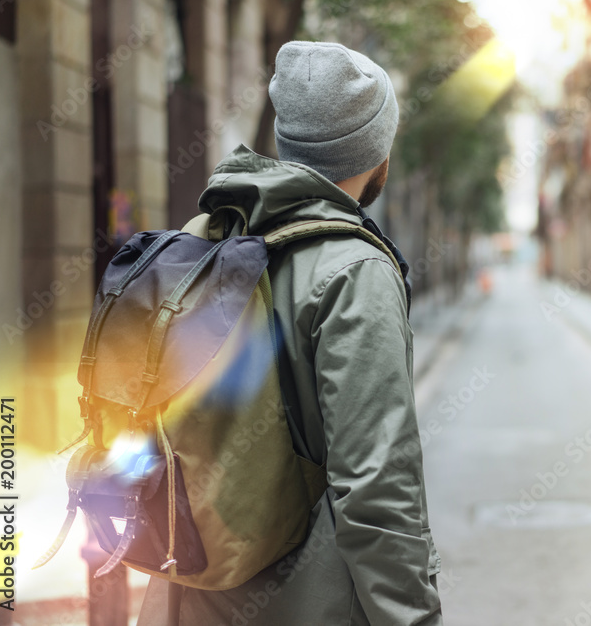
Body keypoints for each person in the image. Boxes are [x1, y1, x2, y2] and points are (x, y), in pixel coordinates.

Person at [137, 41, 443, 625]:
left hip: (189, 595)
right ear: (376, 150)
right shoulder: (356, 270)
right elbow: (377, 489)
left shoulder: (208, 236)